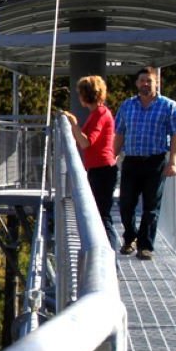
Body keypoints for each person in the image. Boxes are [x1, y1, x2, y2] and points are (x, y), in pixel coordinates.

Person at [114, 66, 176, 260]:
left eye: (149, 81)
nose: (145, 84)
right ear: (137, 83)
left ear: (156, 83)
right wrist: (113, 154)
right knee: (126, 203)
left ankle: (145, 246)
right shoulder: (127, 106)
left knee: (151, 206)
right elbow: (119, 132)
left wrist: (173, 162)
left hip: (155, 161)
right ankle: (129, 239)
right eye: (142, 80)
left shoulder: (168, 106)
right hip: (132, 161)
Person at [63, 75, 118, 249]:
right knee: (100, 214)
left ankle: (111, 257)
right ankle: (109, 254)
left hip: (103, 170)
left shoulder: (100, 114)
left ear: (86, 95)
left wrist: (73, 124)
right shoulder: (96, 113)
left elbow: (86, 142)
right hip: (98, 169)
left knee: (102, 216)